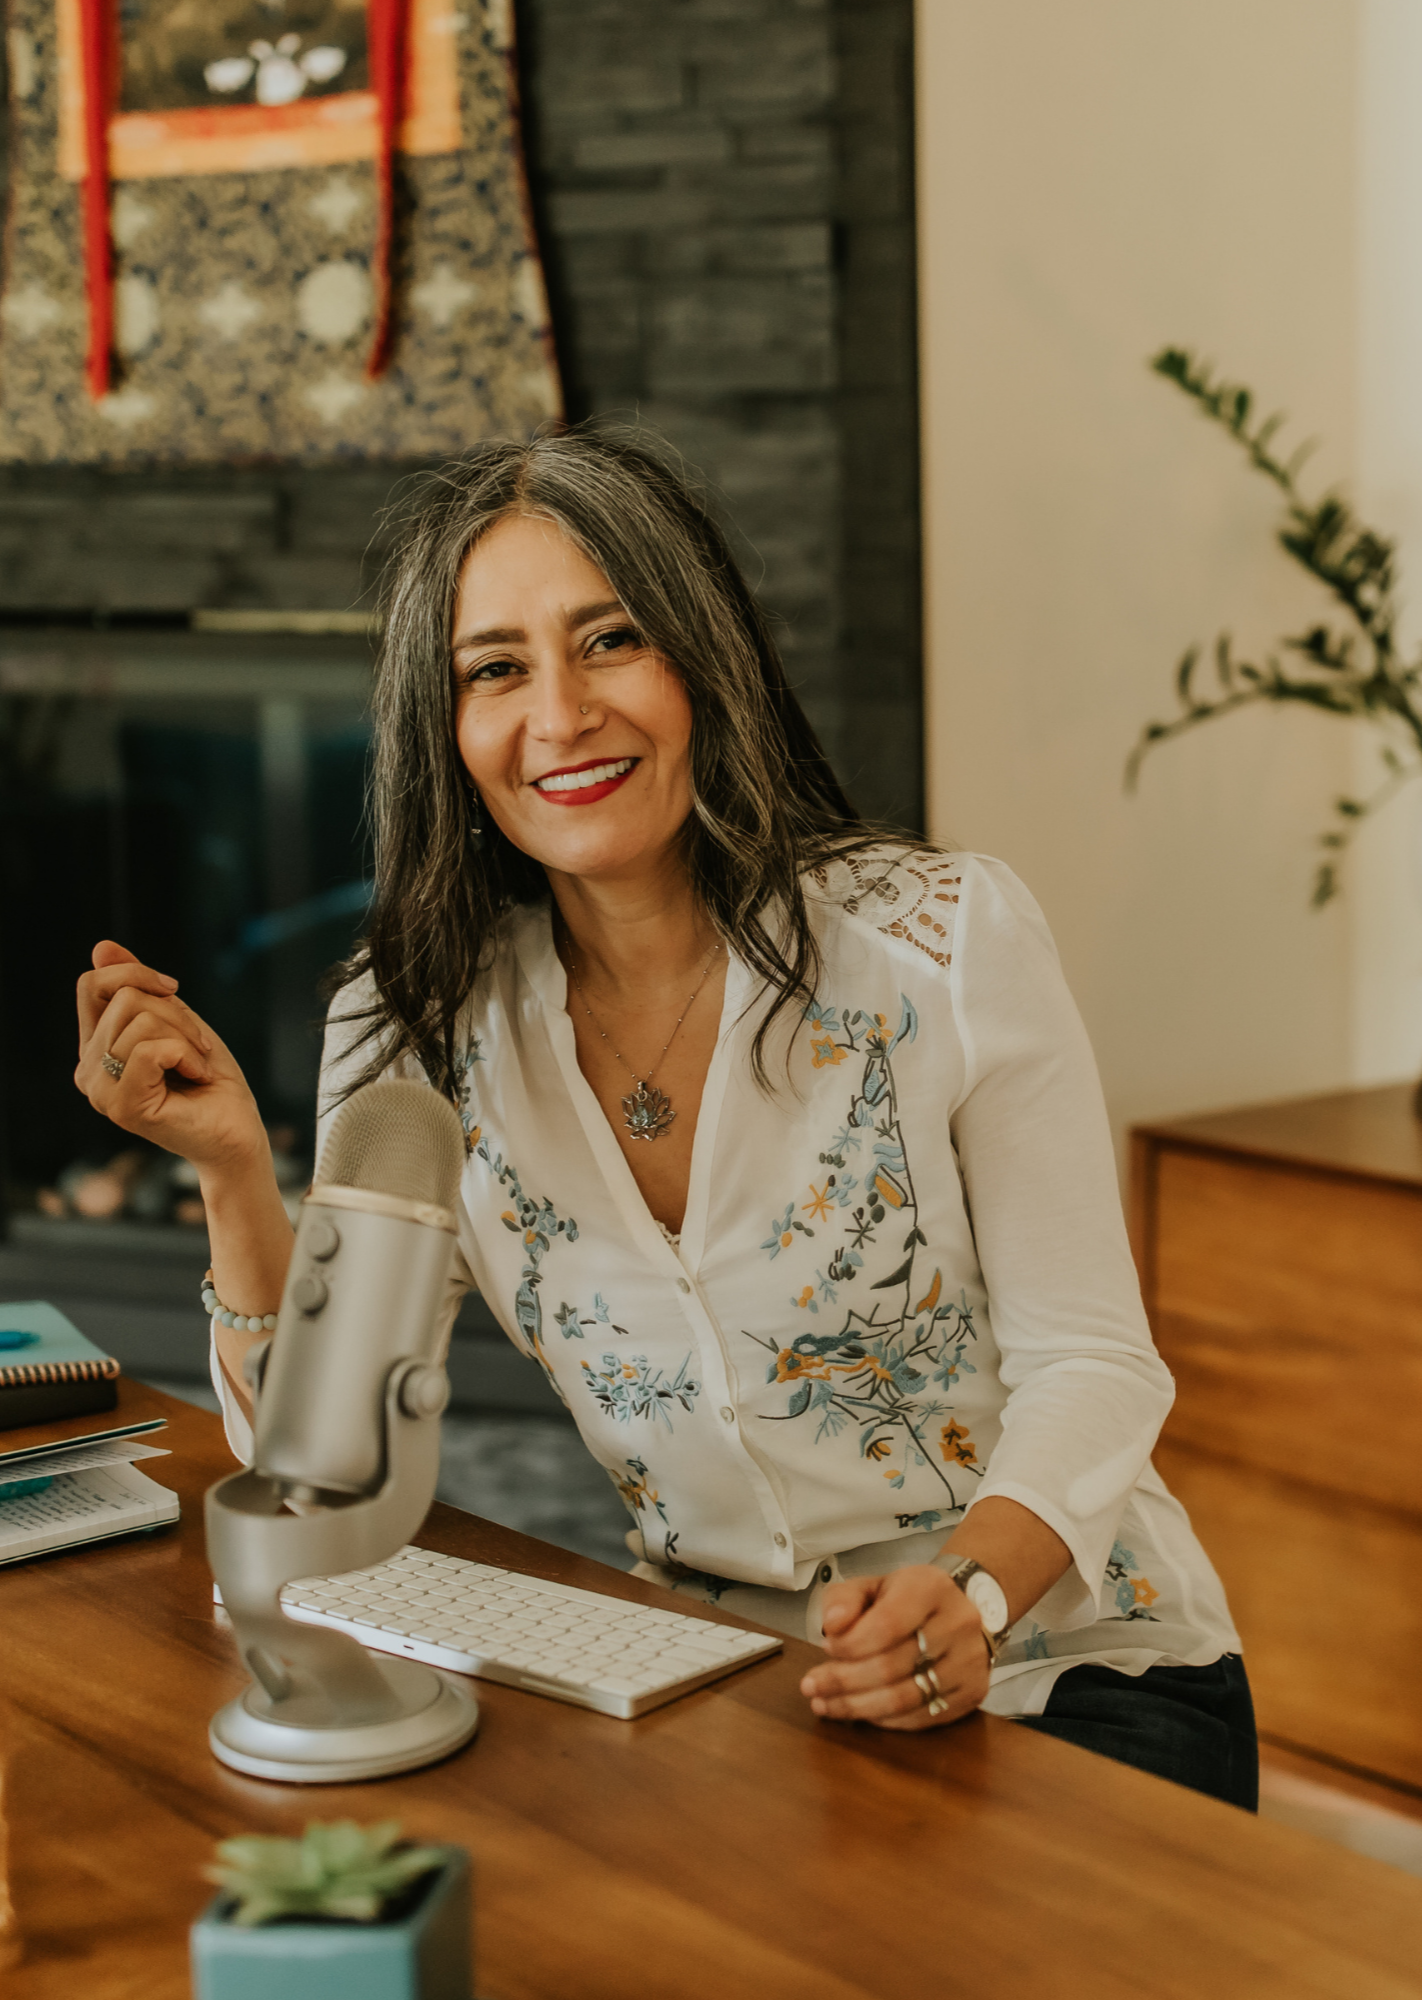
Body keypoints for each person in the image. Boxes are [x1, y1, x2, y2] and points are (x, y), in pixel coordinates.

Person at [72, 431, 1255, 1808]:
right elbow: (319, 1462)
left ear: (702, 659)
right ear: (443, 729)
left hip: (1068, 1660)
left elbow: (1096, 1364)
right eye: (495, 669)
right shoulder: (408, 1026)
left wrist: (972, 1593)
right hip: (716, 1685)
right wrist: (230, 1172)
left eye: (612, 640)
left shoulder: (943, 941)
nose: (562, 714)